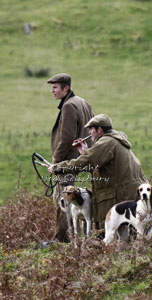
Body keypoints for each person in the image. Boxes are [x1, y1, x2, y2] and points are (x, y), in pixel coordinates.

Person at [48, 114, 148, 230]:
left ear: (99, 129)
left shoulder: (106, 142)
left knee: (116, 232)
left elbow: (87, 162)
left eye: (91, 129)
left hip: (120, 194)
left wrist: (58, 167)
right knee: (130, 230)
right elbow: (97, 162)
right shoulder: (114, 140)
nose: (89, 133)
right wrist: (85, 152)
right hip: (130, 192)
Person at [47, 73, 94, 242]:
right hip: (83, 156)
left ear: (65, 88)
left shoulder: (68, 106)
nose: (52, 91)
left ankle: (62, 238)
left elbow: (66, 138)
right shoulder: (83, 102)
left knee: (62, 198)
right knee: (71, 197)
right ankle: (78, 235)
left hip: (68, 161)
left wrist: (56, 159)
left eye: (55, 87)